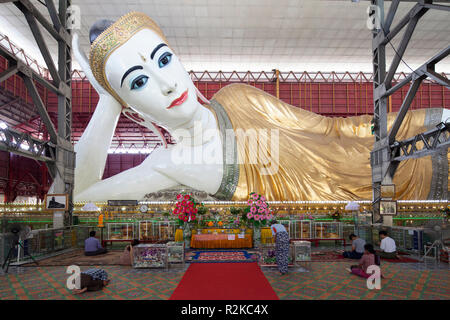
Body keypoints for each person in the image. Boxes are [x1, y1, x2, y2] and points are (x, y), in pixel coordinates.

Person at [71, 11, 448, 203]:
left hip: (376, 160)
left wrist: (411, 121)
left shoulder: (237, 96)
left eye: (164, 60)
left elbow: (327, 129)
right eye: (139, 82)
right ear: (133, 107)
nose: (167, 83)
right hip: (381, 198)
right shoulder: (167, 163)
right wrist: (108, 102)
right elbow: (81, 195)